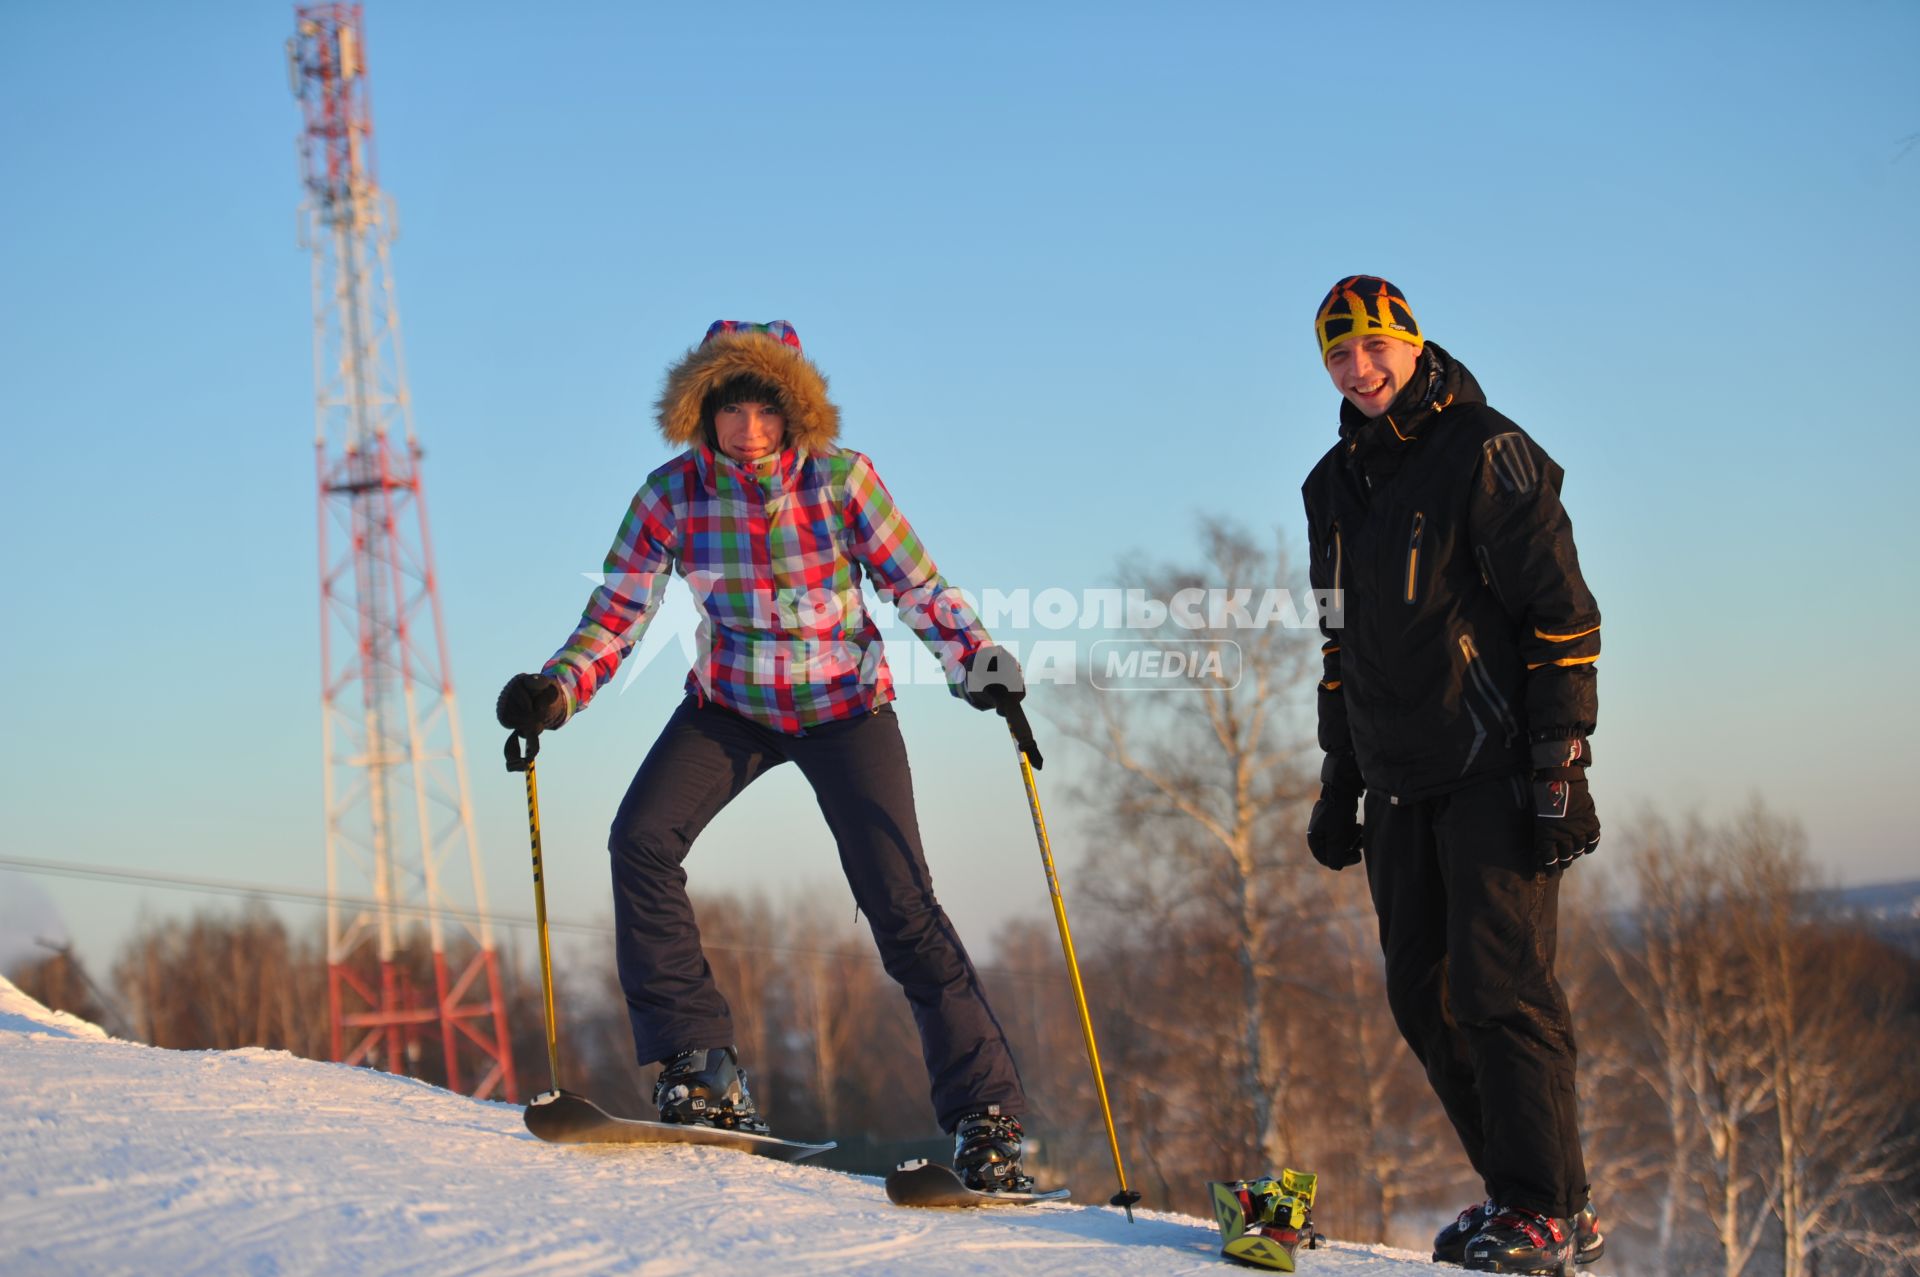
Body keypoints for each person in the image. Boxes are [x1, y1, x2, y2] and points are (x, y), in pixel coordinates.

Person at [496, 319, 1032, 1191]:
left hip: (845, 707)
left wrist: (978, 664)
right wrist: (556, 691)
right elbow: (619, 612)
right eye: (729, 409)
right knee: (640, 838)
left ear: (794, 415)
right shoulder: (671, 493)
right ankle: (699, 1069)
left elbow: (915, 585)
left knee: (900, 902)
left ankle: (989, 1120)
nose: (747, 429)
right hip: (732, 706)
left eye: (764, 411)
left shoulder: (841, 479)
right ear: (701, 412)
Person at [1299, 278, 1606, 1273]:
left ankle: (1547, 1207)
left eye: (1375, 346)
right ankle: (1526, 1193)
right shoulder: (1330, 486)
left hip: (1492, 761)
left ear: (1412, 342)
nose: (1361, 368)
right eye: (1341, 356)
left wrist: (1559, 757)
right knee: (1421, 994)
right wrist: (1338, 773)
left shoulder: (1485, 447)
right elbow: (1339, 639)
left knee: (1498, 985)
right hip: (1395, 774)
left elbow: (1559, 609)